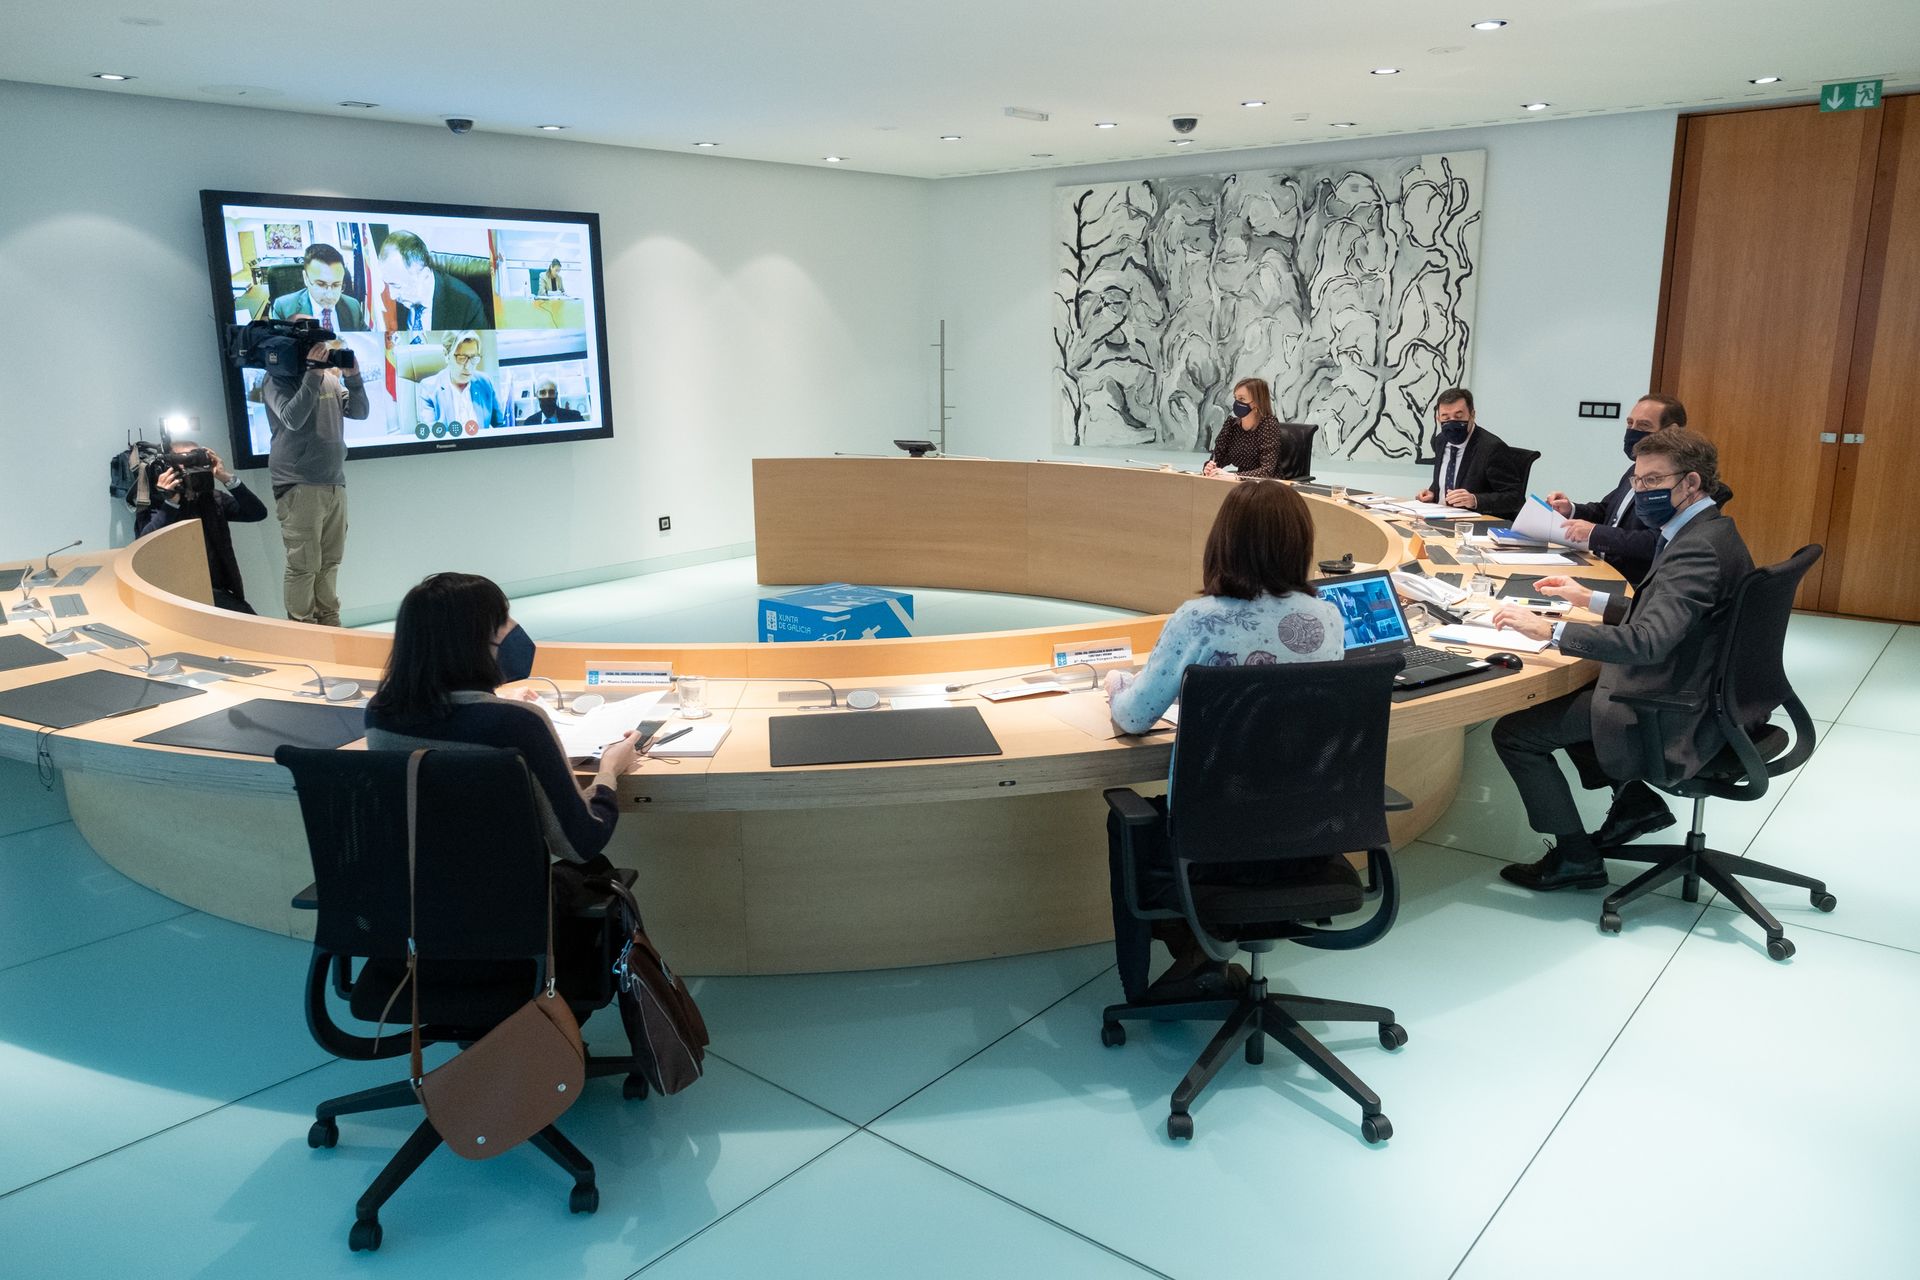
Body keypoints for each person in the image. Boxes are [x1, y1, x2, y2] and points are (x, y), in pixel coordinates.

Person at [1102, 481, 1344, 1001]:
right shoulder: (1327, 617)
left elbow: (1136, 716)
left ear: (1223, 542)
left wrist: (1115, 683)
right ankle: (1205, 951)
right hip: (1307, 838)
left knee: (1127, 822)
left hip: (1211, 847)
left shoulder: (1199, 619)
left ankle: (1181, 959)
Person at [1485, 428, 1753, 891]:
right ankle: (1634, 803)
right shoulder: (1710, 530)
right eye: (1636, 481)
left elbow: (1648, 641)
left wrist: (1550, 631)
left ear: (1691, 483)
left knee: (1515, 734)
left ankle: (1575, 858)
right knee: (1566, 702)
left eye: (1652, 482)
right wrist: (1588, 599)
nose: (1640, 492)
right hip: (1700, 684)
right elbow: (1670, 616)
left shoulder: (1696, 550)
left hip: (1675, 706)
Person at [364, 572, 643, 993]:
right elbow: (580, 842)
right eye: (502, 620)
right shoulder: (517, 725)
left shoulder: (379, 714)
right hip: (512, 923)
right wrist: (609, 769)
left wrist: (494, 703)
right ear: (476, 639)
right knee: (595, 871)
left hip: (413, 923)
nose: (512, 630)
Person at [1542, 394, 1731, 584]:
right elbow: (1608, 511)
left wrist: (1596, 533)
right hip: (1600, 569)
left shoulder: (1692, 491)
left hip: (1633, 581)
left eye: (1643, 425)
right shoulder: (1635, 470)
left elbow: (1660, 541)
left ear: (1671, 430)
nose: (1633, 431)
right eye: (1630, 423)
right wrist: (1570, 509)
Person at [262, 323, 367, 626]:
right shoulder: (277, 379)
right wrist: (311, 374)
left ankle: (330, 624)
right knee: (304, 565)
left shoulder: (329, 379)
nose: (321, 349)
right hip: (298, 483)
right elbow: (292, 418)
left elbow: (360, 412)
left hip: (334, 481)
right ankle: (303, 630)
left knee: (330, 562)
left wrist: (353, 377)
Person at [132, 436, 268, 614]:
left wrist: (226, 478)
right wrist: (171, 503)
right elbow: (144, 544)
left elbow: (257, 512)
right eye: (187, 461)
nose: (194, 467)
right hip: (175, 597)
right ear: (171, 467)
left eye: (198, 460)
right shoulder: (157, 502)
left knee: (252, 626)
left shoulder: (212, 498)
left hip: (217, 591)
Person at [1414, 387, 1527, 518]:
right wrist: (1433, 493)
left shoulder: (1491, 448)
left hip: (1473, 522)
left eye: (1458, 416)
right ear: (1438, 418)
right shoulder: (1440, 441)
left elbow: (1515, 497)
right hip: (1439, 516)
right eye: (1446, 417)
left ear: (1472, 415)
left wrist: (1475, 500)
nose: (1452, 422)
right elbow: (1448, 477)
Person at [379, 229, 486, 332]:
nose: (392, 296)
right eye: (388, 284)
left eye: (397, 286)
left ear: (424, 275)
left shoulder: (468, 306)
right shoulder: (401, 298)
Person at [415, 330, 507, 432]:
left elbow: (500, 426)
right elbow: (432, 435)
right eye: (462, 358)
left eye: (474, 358)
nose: (468, 366)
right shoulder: (428, 388)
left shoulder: (485, 383)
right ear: (446, 355)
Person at [268, 244, 368, 331]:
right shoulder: (284, 309)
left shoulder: (353, 306)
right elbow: (279, 345)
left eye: (336, 285)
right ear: (306, 278)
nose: (329, 296)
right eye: (321, 284)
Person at [1201, 378, 1286, 480]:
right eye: (1235, 398)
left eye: (1241, 399)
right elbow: (1217, 458)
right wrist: (1210, 467)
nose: (1236, 403)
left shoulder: (1268, 425)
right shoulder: (1231, 425)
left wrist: (1235, 476)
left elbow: (1267, 471)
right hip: (1241, 483)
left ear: (1257, 402)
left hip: (1267, 484)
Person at [520, 379, 584, 424]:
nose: (547, 396)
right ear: (537, 396)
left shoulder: (574, 417)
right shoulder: (529, 422)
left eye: (551, 392)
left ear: (556, 395)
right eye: (542, 392)